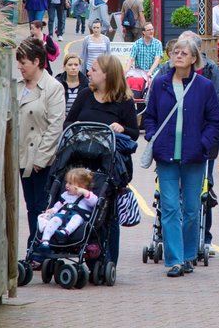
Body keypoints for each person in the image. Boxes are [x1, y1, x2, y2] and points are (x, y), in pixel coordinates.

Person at [142, 39, 219, 277]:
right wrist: (152, 135)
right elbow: (150, 116)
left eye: (184, 53)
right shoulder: (160, 84)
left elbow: (215, 121)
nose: (178, 55)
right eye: (175, 52)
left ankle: (188, 256)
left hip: (194, 157)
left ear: (193, 59)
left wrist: (203, 144)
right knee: (168, 208)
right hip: (165, 157)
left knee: (191, 208)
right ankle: (174, 260)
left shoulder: (204, 86)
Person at [64, 54, 140, 264]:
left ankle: (108, 261)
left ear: (107, 75)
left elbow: (134, 133)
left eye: (94, 69)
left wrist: (122, 128)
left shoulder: (123, 101)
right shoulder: (85, 95)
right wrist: (77, 125)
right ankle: (80, 251)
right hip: (80, 165)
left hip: (108, 168)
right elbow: (68, 123)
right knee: (78, 208)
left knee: (108, 214)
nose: (89, 72)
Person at [16, 38, 65, 254]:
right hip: (20, 155)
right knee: (30, 206)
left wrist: (40, 159)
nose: (19, 66)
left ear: (37, 62)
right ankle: (36, 245)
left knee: (42, 206)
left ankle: (39, 247)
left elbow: (55, 126)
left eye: (23, 62)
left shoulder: (53, 88)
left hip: (41, 160)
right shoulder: (17, 87)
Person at [35, 168, 98, 253]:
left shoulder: (86, 197)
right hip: (62, 215)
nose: (67, 185)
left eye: (70, 183)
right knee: (54, 220)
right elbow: (58, 205)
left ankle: (65, 232)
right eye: (67, 182)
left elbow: (95, 202)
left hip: (78, 216)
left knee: (76, 218)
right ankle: (45, 240)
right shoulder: (65, 195)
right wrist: (52, 210)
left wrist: (84, 191)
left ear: (81, 186)